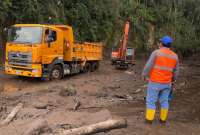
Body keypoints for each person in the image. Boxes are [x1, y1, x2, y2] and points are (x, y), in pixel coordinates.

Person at [142, 36, 179, 123]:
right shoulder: (175, 56)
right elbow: (176, 70)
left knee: (151, 101)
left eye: (160, 42)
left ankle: (149, 120)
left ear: (162, 43)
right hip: (167, 83)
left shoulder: (156, 53)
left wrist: (144, 74)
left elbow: (149, 65)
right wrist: (174, 79)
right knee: (164, 101)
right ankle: (163, 120)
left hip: (155, 82)